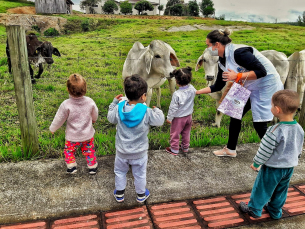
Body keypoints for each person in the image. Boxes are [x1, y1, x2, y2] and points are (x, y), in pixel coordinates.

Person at [196, 28, 283, 157]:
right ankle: (230, 150)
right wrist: (196, 92)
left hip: (265, 84)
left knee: (259, 123)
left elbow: (261, 72)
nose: (207, 48)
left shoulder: (238, 53)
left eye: (208, 45)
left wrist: (237, 75)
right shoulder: (222, 60)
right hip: (248, 84)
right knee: (235, 113)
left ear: (217, 45)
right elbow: (218, 85)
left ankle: (277, 155)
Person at [239, 89, 304, 219]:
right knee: (280, 191)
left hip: (273, 168)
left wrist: (257, 163)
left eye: (271, 105)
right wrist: (296, 157)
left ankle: (254, 209)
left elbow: (265, 149)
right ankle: (275, 211)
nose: (270, 108)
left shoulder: (274, 130)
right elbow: (298, 146)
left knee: (262, 188)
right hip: (289, 168)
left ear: (277, 110)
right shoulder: (299, 128)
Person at [107, 75, 164, 203]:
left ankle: (120, 194)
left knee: (120, 172)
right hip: (139, 153)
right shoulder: (147, 111)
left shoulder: (119, 108)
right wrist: (158, 110)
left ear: (126, 94)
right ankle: (141, 195)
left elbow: (110, 118)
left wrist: (113, 103)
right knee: (139, 174)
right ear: (143, 96)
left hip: (122, 152)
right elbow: (160, 121)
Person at [49, 73, 99, 175]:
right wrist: (94, 120)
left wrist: (53, 128)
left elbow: (59, 118)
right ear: (85, 89)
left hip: (72, 137)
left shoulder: (66, 104)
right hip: (87, 135)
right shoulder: (90, 102)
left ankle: (71, 167)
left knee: (69, 151)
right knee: (89, 151)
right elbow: (95, 113)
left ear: (67, 89)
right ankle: (92, 166)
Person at [165, 67, 197, 155]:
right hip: (189, 116)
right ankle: (185, 147)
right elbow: (195, 92)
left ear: (177, 81)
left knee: (175, 133)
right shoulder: (192, 88)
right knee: (186, 133)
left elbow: (173, 108)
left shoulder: (177, 94)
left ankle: (174, 149)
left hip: (179, 118)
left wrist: (169, 118)